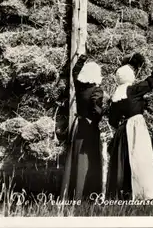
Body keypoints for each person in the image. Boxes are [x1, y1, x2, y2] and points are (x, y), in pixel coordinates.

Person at [106, 50, 153, 200]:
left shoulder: (115, 96)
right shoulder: (133, 90)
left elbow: (112, 120)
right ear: (130, 77)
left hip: (122, 131)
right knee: (140, 160)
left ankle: (122, 196)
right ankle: (143, 194)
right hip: (136, 129)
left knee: (123, 162)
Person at [60, 54, 104, 201]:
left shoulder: (80, 86)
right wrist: (98, 116)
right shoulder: (96, 91)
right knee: (88, 160)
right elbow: (96, 108)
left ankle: (73, 192)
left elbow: (74, 72)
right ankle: (87, 195)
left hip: (78, 125)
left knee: (75, 157)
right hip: (89, 128)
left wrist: (81, 59)